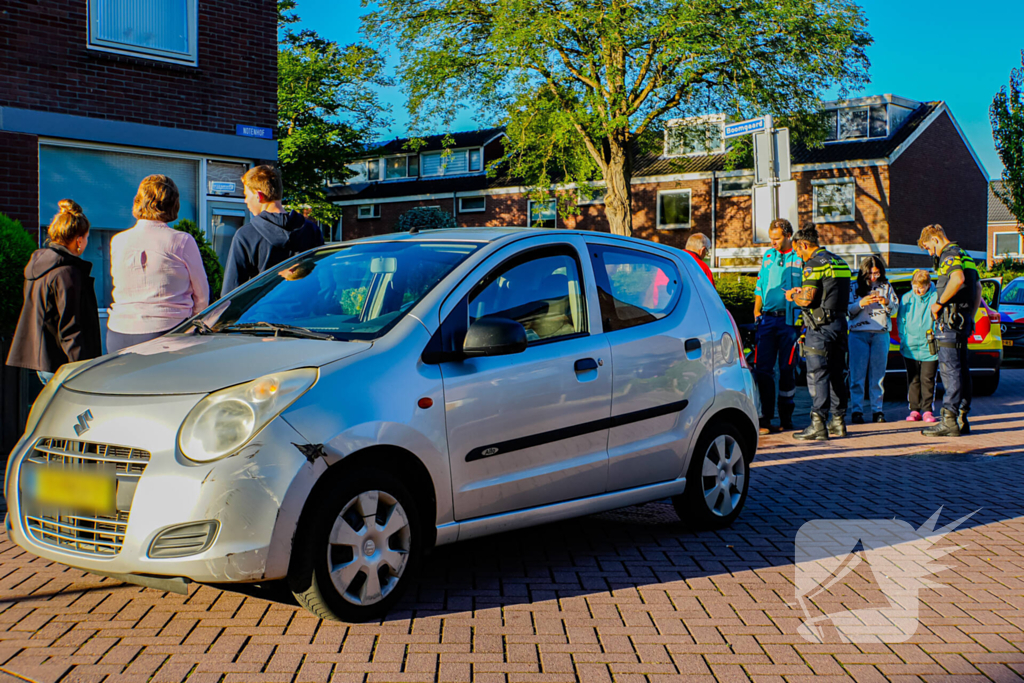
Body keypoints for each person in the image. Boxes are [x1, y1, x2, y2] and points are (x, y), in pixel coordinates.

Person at [106, 175, 210, 353]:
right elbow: (201, 296)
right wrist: (193, 326)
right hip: (168, 330)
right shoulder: (182, 241)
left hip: (118, 331)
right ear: (173, 204)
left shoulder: (118, 241)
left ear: (138, 201)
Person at [7, 200, 102, 384]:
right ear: (79, 240)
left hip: (42, 362)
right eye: (87, 236)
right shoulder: (67, 272)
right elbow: (70, 326)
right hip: (65, 365)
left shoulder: (38, 266)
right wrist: (81, 368)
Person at [785, 226, 852, 441]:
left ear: (804, 245)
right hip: (840, 325)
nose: (798, 255)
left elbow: (808, 299)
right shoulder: (840, 262)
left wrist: (793, 296)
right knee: (837, 373)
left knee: (818, 374)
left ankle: (818, 424)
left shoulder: (813, 264)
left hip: (819, 328)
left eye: (798, 251)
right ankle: (839, 422)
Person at [917, 224, 981, 437]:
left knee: (949, 370)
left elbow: (958, 279)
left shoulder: (949, 256)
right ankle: (962, 417)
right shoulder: (965, 255)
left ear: (935, 239)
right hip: (962, 322)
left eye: (928, 247)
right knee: (962, 370)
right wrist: (971, 316)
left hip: (949, 323)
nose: (929, 252)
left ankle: (949, 420)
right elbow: (978, 288)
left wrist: (939, 303)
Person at [221, 165, 324, 295]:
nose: (246, 201)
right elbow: (322, 274)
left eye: (247, 195)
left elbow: (231, 291)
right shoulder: (311, 230)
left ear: (259, 195)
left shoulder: (246, 235)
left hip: (260, 313)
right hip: (308, 311)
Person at [752, 218, 804, 434]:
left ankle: (786, 418)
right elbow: (760, 284)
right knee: (763, 370)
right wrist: (756, 310)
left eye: (776, 239)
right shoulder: (767, 256)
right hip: (767, 319)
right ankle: (765, 419)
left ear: (788, 236)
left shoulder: (800, 257)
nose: (772, 242)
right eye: (770, 239)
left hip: (790, 322)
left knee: (787, 369)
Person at [847, 255, 898, 424]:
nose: (873, 277)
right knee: (857, 374)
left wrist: (886, 302)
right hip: (858, 333)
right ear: (863, 272)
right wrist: (861, 303)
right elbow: (847, 310)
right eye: (870, 273)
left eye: (876, 273)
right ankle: (857, 410)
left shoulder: (886, 285)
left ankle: (878, 410)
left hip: (880, 333)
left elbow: (895, 308)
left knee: (878, 375)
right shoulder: (854, 286)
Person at [897, 269, 939, 423]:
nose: (918, 290)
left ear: (928, 285)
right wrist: (904, 337)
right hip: (911, 345)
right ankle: (914, 409)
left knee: (928, 379)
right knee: (913, 379)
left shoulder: (935, 297)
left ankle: (927, 410)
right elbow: (901, 319)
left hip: (929, 346)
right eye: (915, 287)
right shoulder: (907, 298)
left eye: (921, 287)